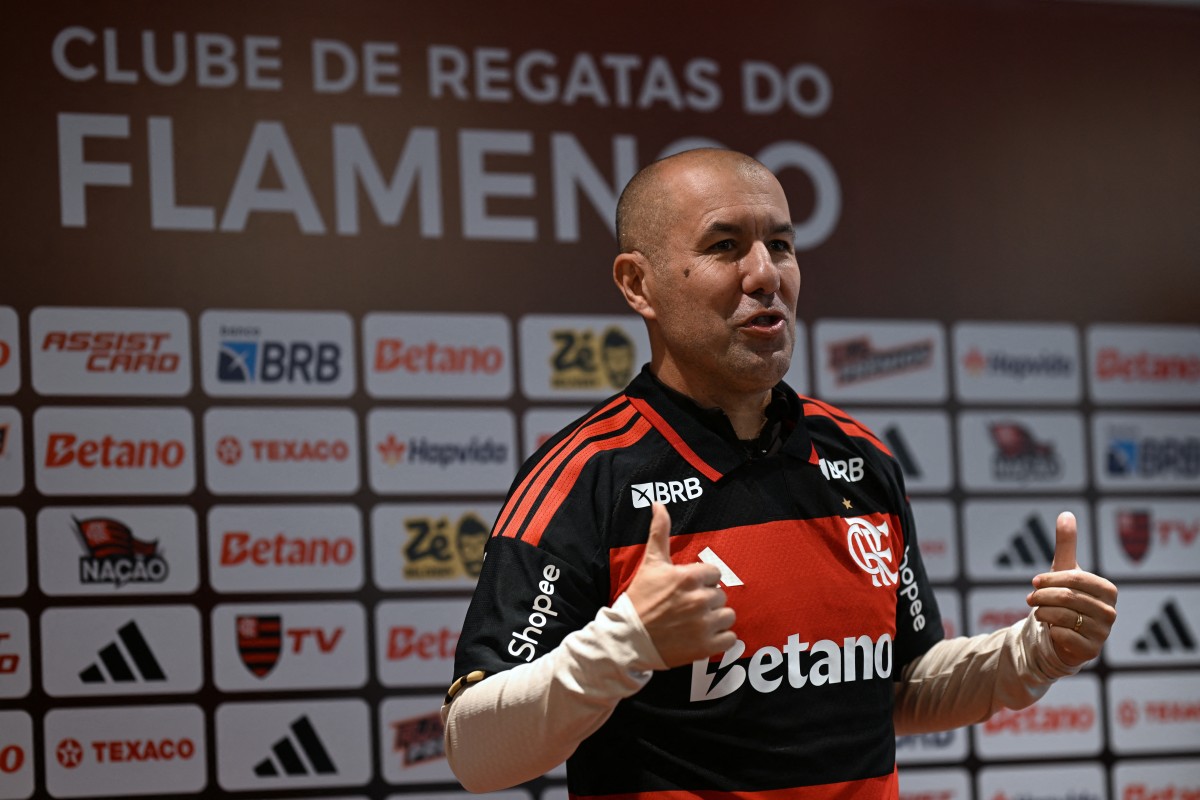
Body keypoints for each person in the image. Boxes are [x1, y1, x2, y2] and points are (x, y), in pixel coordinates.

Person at [441, 148, 1117, 798]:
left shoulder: (859, 456)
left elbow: (899, 688)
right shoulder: (586, 475)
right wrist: (626, 647)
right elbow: (475, 752)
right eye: (724, 245)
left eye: (782, 245)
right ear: (637, 284)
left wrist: (1035, 653)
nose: (766, 274)